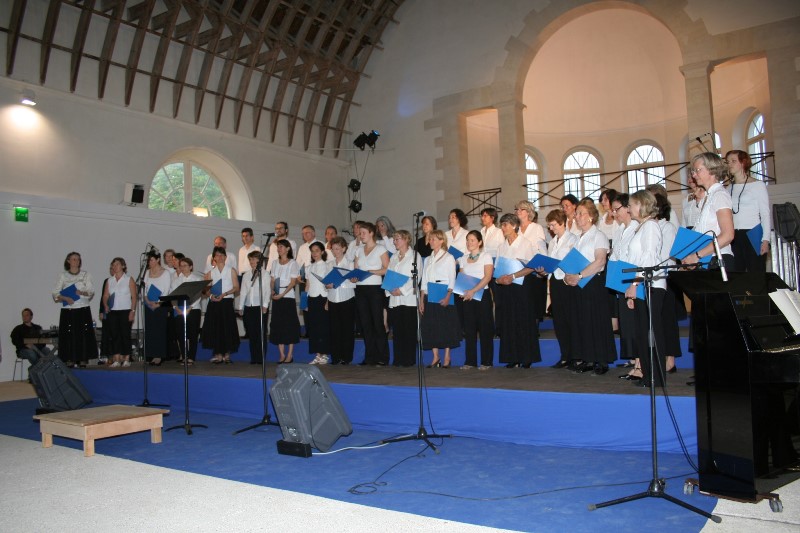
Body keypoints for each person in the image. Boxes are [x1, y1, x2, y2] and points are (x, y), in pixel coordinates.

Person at [563, 200, 617, 375]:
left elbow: (600, 261)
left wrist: (578, 276)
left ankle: (601, 360)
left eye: (580, 213)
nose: (577, 217)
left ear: (592, 216)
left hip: (593, 283)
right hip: (579, 284)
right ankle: (588, 358)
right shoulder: (579, 238)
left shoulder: (598, 235)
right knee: (582, 322)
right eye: (576, 213)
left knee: (596, 321)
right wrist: (568, 276)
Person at [625, 190, 667, 387]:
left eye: (631, 204)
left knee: (652, 331)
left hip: (650, 285)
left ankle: (656, 377)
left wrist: (635, 284)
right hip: (641, 285)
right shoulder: (640, 227)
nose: (628, 208)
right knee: (642, 332)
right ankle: (648, 374)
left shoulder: (650, 226)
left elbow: (648, 258)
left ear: (641, 205)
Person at [494, 213, 539, 368]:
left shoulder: (526, 243)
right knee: (508, 322)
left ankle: (526, 357)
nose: (503, 228)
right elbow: (498, 269)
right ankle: (512, 356)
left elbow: (531, 266)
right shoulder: (501, 247)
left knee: (523, 320)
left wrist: (513, 276)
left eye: (505, 224)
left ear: (514, 225)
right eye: (502, 225)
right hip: (506, 288)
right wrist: (499, 279)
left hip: (522, 286)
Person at [538, 209, 578, 369]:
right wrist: (544, 269)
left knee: (571, 320)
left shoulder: (573, 239)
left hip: (567, 282)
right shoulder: (553, 242)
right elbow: (551, 263)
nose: (551, 228)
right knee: (559, 321)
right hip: (555, 281)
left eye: (553, 225)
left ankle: (575, 355)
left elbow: (572, 262)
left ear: (562, 223)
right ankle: (565, 355)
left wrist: (557, 264)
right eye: (549, 226)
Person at [608, 194, 642, 380]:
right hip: (621, 281)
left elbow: (635, 259)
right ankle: (635, 361)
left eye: (616, 209)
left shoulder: (637, 228)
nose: (614, 213)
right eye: (612, 210)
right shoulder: (620, 229)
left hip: (633, 281)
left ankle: (641, 364)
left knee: (635, 324)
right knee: (627, 325)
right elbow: (615, 256)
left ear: (627, 208)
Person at [685, 152, 734, 268]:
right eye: (694, 171)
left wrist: (697, 255)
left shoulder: (720, 195)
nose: (694, 175)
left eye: (698, 170)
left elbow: (728, 235)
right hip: (707, 259)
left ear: (712, 170)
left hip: (719, 259)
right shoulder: (708, 197)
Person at [419, 229, 460, 368]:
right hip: (430, 293)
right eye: (430, 239)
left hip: (443, 292)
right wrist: (421, 298)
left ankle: (447, 357)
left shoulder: (448, 257)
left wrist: (448, 295)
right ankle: (435, 357)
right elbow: (424, 279)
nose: (431, 241)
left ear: (442, 241)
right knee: (430, 325)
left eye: (434, 239)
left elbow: (452, 278)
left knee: (445, 325)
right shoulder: (429, 259)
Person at [726, 149, 771, 272]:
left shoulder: (757, 185)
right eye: (728, 161)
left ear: (743, 163)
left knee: (756, 275)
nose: (729, 164)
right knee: (737, 275)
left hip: (753, 234)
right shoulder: (728, 188)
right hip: (734, 236)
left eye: (733, 161)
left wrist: (765, 240)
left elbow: (765, 214)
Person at [353, 222, 390, 365]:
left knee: (377, 323)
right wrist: (354, 276)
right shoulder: (358, 250)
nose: (360, 235)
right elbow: (356, 269)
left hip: (375, 288)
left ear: (371, 233)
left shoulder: (380, 248)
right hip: (361, 289)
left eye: (363, 233)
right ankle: (370, 357)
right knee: (365, 324)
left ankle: (382, 357)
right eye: (360, 233)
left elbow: (387, 269)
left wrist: (371, 272)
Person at [457, 230, 494, 370]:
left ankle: (486, 361)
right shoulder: (463, 258)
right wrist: (463, 291)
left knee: (485, 329)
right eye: (467, 240)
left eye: (472, 240)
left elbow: (487, 277)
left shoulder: (486, 256)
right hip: (467, 297)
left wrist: (473, 290)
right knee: (469, 329)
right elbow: (461, 277)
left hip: (481, 295)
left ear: (479, 242)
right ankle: (470, 361)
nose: (469, 243)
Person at [52, 251, 97, 367]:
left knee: (83, 334)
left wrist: (80, 292)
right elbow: (55, 293)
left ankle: (83, 358)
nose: (76, 261)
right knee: (69, 335)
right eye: (73, 259)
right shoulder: (63, 275)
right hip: (69, 310)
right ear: (68, 261)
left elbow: (91, 291)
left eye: (78, 259)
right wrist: (65, 298)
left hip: (82, 309)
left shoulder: (86, 275)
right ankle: (69, 359)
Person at [386, 230, 421, 367]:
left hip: (408, 298)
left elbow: (415, 277)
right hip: (395, 298)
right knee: (398, 330)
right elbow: (389, 275)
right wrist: (390, 289)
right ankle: (398, 359)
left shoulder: (414, 255)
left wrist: (401, 290)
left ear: (406, 239)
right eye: (394, 239)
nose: (395, 242)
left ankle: (409, 359)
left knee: (409, 330)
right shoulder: (394, 257)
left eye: (398, 239)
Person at [202, 246, 240, 364]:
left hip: (226, 301)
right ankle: (218, 354)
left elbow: (236, 287)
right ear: (214, 258)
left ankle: (227, 354)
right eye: (218, 255)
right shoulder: (209, 273)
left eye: (222, 255)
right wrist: (210, 295)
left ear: (225, 257)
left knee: (227, 327)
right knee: (216, 328)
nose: (220, 257)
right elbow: (206, 290)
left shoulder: (231, 270)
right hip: (214, 303)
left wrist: (225, 294)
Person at [269, 239, 301, 363]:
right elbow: (272, 280)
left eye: (281, 246)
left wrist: (282, 294)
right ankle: (281, 354)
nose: (279, 249)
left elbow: (293, 282)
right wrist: (272, 291)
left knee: (289, 325)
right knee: (278, 325)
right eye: (278, 247)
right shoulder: (275, 263)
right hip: (277, 296)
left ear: (288, 248)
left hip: (287, 297)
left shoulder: (293, 263)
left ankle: (290, 354)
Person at [102, 257, 137, 367]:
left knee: (125, 334)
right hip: (113, 311)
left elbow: (134, 297)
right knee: (114, 334)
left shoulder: (129, 279)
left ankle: (127, 357)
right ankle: (116, 358)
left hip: (125, 310)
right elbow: (106, 295)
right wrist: (105, 305)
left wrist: (132, 311)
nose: (115, 266)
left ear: (123, 266)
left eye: (117, 264)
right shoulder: (110, 280)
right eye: (113, 264)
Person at [326, 236, 356, 365]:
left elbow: (354, 283)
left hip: (347, 298)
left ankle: (346, 357)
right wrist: (327, 285)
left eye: (337, 249)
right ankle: (336, 357)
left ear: (344, 248)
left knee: (347, 329)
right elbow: (326, 283)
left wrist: (340, 283)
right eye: (333, 249)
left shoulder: (350, 263)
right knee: (334, 329)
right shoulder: (329, 264)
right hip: (333, 298)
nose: (335, 251)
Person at [238, 251, 270, 365]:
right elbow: (243, 292)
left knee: (260, 333)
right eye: (250, 259)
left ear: (260, 261)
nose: (252, 262)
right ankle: (254, 358)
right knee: (251, 333)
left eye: (254, 259)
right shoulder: (246, 275)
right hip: (249, 305)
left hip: (260, 306)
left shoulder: (265, 274)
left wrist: (265, 305)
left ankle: (261, 358)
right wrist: (241, 306)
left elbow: (267, 291)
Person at [171, 257, 204, 364]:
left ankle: (191, 357)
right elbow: (172, 296)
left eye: (185, 266)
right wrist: (176, 307)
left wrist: (190, 308)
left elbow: (198, 295)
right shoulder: (176, 280)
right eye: (181, 266)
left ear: (191, 267)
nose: (183, 268)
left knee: (193, 334)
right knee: (181, 334)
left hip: (194, 309)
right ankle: (184, 356)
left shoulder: (197, 279)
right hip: (180, 309)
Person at [142, 251, 172, 365]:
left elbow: (166, 290)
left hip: (160, 305)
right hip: (148, 304)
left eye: (152, 260)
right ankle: (150, 354)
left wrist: (158, 303)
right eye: (148, 260)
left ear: (158, 259)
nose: (149, 262)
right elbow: (144, 289)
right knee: (150, 330)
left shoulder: (165, 273)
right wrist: (147, 301)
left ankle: (159, 355)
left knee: (159, 330)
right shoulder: (147, 272)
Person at [306, 242, 332, 365]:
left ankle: (325, 354)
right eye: (312, 251)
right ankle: (317, 354)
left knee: (324, 327)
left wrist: (328, 301)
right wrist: (305, 301)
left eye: (317, 250)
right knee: (314, 327)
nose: (314, 253)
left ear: (322, 251)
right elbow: (308, 285)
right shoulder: (309, 267)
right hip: (312, 298)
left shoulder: (327, 266)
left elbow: (330, 285)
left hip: (323, 298)